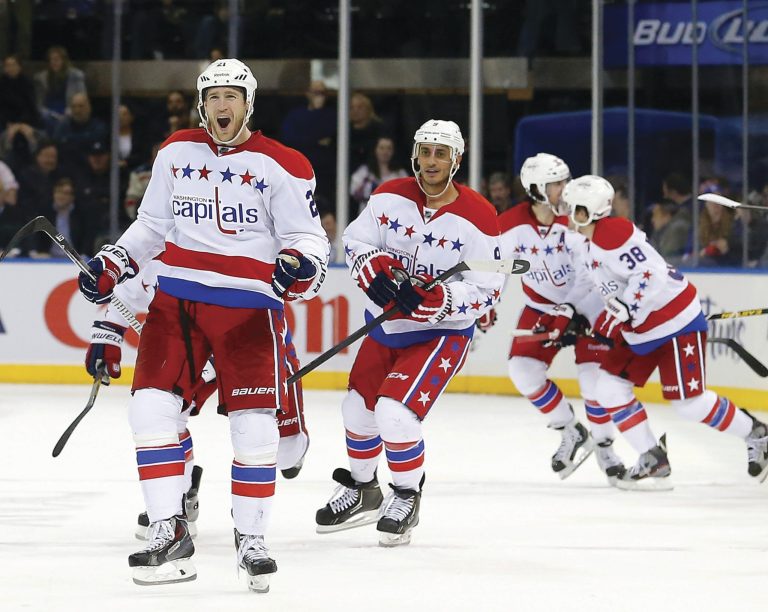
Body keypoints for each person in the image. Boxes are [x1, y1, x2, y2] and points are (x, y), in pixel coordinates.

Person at [76, 58, 329, 591]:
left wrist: (301, 264)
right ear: (202, 103)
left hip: (248, 310)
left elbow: (310, 241)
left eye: (232, 96)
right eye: (213, 97)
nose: (222, 106)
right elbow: (151, 226)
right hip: (177, 304)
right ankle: (169, 531)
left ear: (248, 104)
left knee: (256, 429)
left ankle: (251, 537)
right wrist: (114, 263)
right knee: (149, 410)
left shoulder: (284, 165)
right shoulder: (176, 151)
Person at [315, 119, 505, 546]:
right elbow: (356, 241)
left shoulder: (479, 216)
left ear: (457, 159)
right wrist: (376, 272)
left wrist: (439, 302)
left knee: (395, 415)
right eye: (425, 151)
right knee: (356, 411)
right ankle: (362, 488)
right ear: (414, 155)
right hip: (386, 327)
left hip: (441, 335)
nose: (431, 161)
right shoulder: (387, 197)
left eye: (441, 153)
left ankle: (405, 494)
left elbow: (488, 289)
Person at [539, 175, 768, 489]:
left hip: (675, 324)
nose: (568, 213)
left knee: (690, 404)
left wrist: (627, 307)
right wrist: (586, 321)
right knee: (608, 389)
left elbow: (651, 274)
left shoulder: (612, 234)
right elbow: (614, 292)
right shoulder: (594, 243)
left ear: (593, 211)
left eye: (575, 208)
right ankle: (652, 457)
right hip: (642, 330)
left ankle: (757, 433)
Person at [84, 261, 311, 540]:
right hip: (194, 344)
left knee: (285, 453)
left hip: (250, 340)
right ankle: (179, 498)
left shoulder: (231, 241)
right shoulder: (163, 243)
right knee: (166, 412)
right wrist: (106, 337)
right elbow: (128, 293)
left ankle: (294, 442)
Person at [499, 153, 623, 484]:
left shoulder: (577, 218)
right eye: (557, 184)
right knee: (522, 370)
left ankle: (605, 446)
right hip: (542, 306)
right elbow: (498, 267)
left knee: (593, 383)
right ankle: (570, 430)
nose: (565, 190)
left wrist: (570, 310)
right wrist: (486, 304)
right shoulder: (510, 224)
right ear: (537, 189)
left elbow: (588, 273)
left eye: (565, 182)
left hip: (589, 305)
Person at [349, 136, 407, 216]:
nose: (385, 152)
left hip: (393, 219)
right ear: (375, 150)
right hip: (368, 217)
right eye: (381, 148)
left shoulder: (400, 174)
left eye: (389, 148)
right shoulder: (364, 172)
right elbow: (353, 192)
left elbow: (406, 197)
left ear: (393, 151)